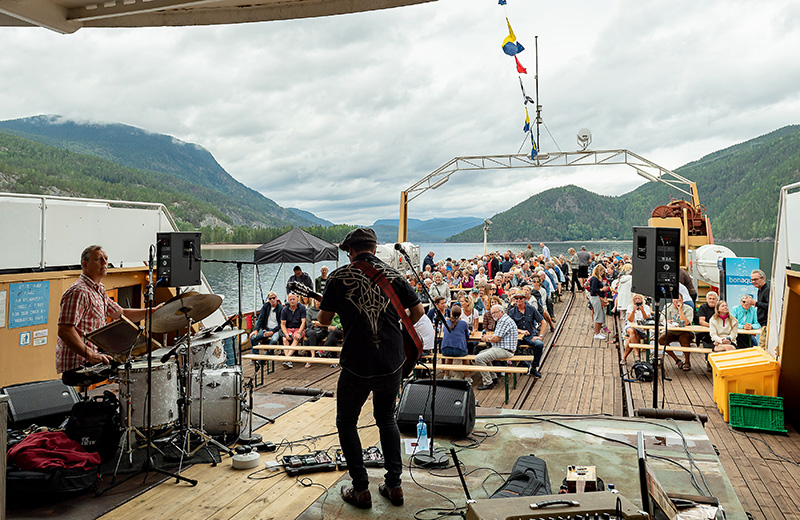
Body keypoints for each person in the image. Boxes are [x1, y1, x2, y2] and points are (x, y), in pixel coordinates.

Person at [317, 227, 423, 509]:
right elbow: (418, 312)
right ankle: (394, 485)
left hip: (357, 362)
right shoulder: (395, 275)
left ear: (350, 250)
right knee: (386, 418)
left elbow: (324, 321)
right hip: (391, 360)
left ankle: (361, 488)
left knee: (346, 421)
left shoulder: (338, 277)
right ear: (375, 249)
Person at [57, 245, 162, 386]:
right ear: (85, 264)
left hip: (94, 359)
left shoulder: (97, 290)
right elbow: (65, 330)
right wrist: (91, 354)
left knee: (140, 364)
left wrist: (152, 311)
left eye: (106, 259)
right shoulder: (79, 292)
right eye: (99, 259)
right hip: (79, 364)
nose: (104, 262)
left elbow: (122, 314)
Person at [473, 304, 518, 390]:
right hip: (501, 348)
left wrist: (487, 338)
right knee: (481, 354)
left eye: (495, 312)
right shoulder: (504, 319)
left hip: (505, 350)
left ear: (501, 312)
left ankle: (488, 382)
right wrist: (489, 338)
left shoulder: (503, 321)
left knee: (479, 358)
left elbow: (496, 339)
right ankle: (493, 377)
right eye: (492, 313)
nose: (493, 315)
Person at [507, 291, 544, 378]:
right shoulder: (512, 311)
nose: (519, 300)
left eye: (521, 298)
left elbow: (543, 322)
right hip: (517, 337)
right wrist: (520, 331)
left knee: (539, 344)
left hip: (530, 335)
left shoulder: (531, 309)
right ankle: (522, 362)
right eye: (517, 298)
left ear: (525, 299)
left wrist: (540, 336)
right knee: (510, 346)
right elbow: (509, 326)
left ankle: (534, 368)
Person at [658, 295, 695, 371]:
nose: (676, 300)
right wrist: (666, 321)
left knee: (684, 339)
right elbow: (661, 319)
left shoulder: (688, 308)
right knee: (661, 340)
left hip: (685, 331)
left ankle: (687, 361)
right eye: (675, 298)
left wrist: (680, 309)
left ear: (682, 299)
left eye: (679, 298)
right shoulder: (667, 306)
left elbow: (686, 322)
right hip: (671, 331)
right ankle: (677, 360)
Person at [621, 293, 651, 365]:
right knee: (632, 331)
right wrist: (633, 311)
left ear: (642, 300)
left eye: (639, 298)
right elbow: (630, 320)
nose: (637, 300)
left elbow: (647, 320)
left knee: (632, 337)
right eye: (635, 299)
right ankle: (637, 354)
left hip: (641, 329)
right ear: (633, 300)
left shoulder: (646, 307)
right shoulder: (630, 307)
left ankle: (624, 357)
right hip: (631, 327)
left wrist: (643, 311)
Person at [280, 293, 306, 368]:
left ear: (297, 299)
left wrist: (299, 332)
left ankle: (287, 358)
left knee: (296, 337)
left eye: (294, 299)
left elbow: (303, 322)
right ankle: (289, 360)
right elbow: (283, 324)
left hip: (298, 327)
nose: (292, 301)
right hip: (288, 328)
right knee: (285, 339)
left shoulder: (302, 308)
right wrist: (286, 334)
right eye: (290, 299)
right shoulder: (285, 309)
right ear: (288, 300)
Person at [588, 264, 611, 340]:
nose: (603, 273)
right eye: (602, 271)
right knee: (598, 315)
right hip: (595, 298)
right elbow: (593, 290)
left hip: (598, 297)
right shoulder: (594, 279)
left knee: (600, 314)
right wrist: (602, 289)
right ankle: (597, 333)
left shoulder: (598, 278)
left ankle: (598, 331)